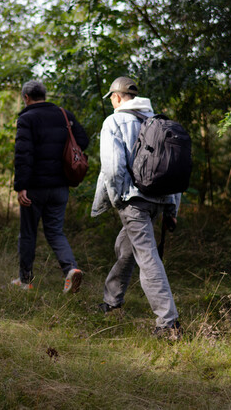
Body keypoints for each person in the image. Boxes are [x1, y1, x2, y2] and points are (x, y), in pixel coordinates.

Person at [91, 76, 183, 340]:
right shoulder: (157, 122)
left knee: (147, 259)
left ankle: (168, 323)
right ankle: (112, 302)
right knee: (126, 250)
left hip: (133, 200)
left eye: (111, 98)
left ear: (117, 97)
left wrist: (118, 198)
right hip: (158, 200)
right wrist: (172, 209)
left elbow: (112, 167)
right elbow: (172, 169)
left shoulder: (115, 121)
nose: (110, 102)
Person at [11, 79, 90, 293]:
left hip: (35, 187)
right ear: (44, 95)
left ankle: (25, 280)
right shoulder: (64, 115)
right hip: (60, 186)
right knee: (55, 232)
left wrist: (21, 186)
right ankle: (71, 270)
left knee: (28, 233)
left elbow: (23, 155)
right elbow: (82, 140)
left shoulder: (27, 118)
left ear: (26, 97)